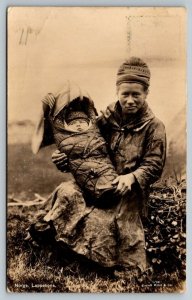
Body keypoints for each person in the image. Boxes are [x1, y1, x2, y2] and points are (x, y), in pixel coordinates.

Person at [30, 57, 166, 274]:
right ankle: (56, 241)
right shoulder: (105, 119)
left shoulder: (154, 127)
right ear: (117, 92)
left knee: (115, 227)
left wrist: (131, 177)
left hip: (127, 192)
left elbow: (154, 164)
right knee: (66, 192)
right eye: (125, 94)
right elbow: (86, 147)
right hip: (94, 180)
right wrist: (66, 159)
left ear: (146, 93)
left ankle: (92, 258)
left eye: (136, 94)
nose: (130, 100)